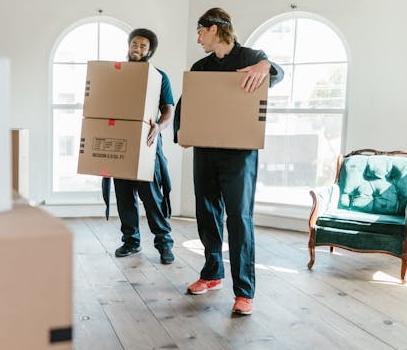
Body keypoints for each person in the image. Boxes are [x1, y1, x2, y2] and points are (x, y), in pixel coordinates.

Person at [173, 8, 284, 315]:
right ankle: (211, 274)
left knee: (239, 218)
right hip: (206, 151)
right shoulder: (201, 66)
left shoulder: (251, 58)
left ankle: (244, 292)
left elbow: (278, 73)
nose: (198, 39)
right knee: (206, 212)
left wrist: (266, 65)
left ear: (213, 29)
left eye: (200, 32)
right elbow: (186, 103)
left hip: (240, 155)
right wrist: (181, 131)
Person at [102, 28, 176, 265]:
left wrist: (159, 127)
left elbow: (168, 110)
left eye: (144, 46)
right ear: (129, 45)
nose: (138, 49)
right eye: (135, 44)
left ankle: (164, 243)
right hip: (120, 142)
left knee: (152, 197)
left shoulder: (159, 76)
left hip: (146, 142)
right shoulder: (117, 73)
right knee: (124, 197)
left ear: (150, 51)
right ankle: (131, 241)